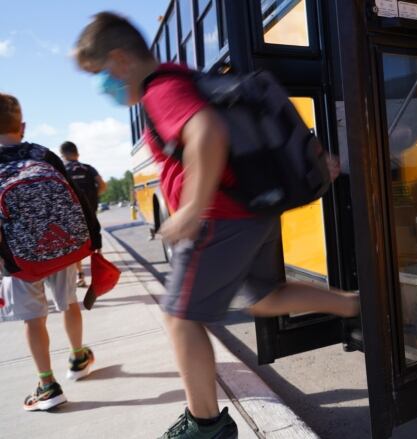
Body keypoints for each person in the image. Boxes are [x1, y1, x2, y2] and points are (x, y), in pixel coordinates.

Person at [75, 13, 359, 438]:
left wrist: (191, 209)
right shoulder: (182, 76)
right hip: (250, 212)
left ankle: (205, 425)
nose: (104, 88)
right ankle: (357, 306)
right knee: (264, 296)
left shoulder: (161, 89)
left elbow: (206, 132)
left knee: (181, 319)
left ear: (119, 60)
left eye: (100, 75)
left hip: (220, 218)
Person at [0, 93, 98, 411]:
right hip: (59, 245)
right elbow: (75, 195)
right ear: (23, 126)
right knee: (69, 302)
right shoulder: (42, 153)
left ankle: (47, 384)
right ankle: (78, 356)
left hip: (17, 256)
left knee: (32, 319)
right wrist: (92, 236)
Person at [60, 141, 107, 287]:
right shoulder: (88, 168)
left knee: (76, 244)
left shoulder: (62, 170)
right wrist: (93, 198)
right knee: (95, 238)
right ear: (77, 153)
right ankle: (101, 270)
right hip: (91, 211)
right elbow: (103, 185)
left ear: (63, 155)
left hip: (73, 215)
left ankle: (80, 276)